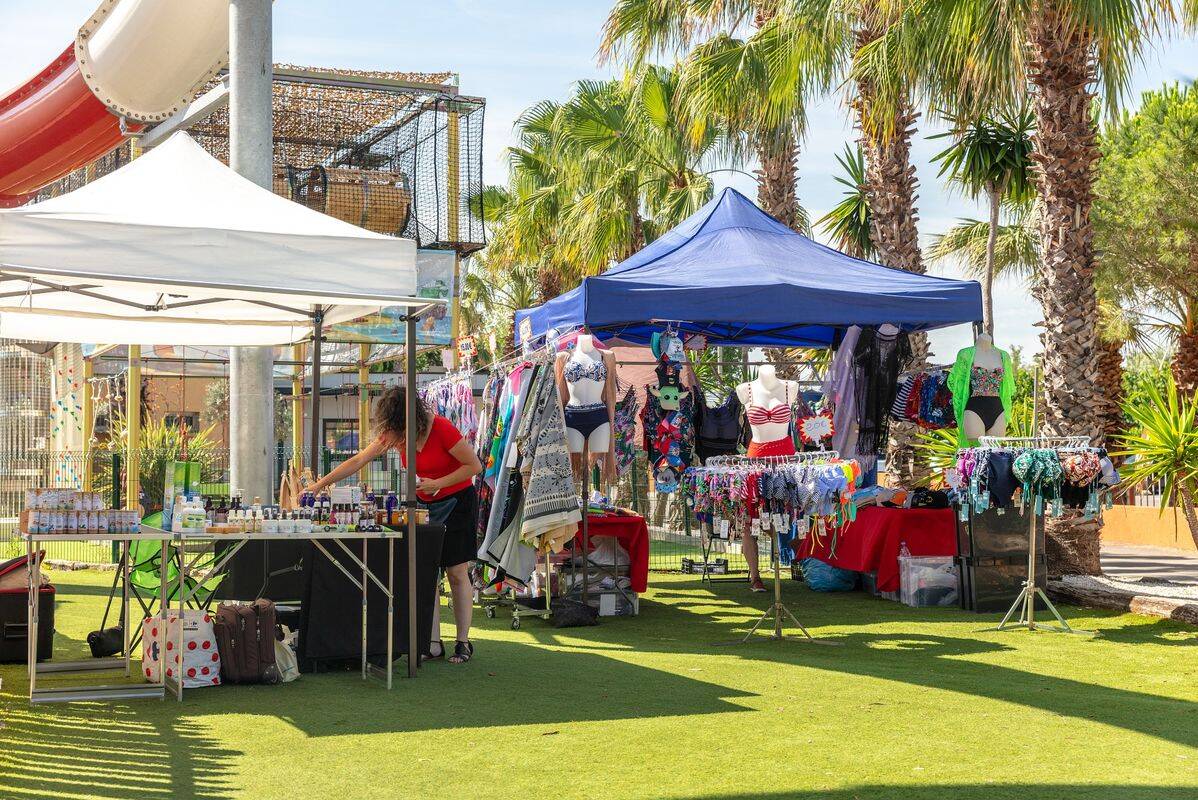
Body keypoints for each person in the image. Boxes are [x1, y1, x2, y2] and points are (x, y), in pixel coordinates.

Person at [308, 386, 483, 664]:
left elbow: (474, 466)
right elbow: (358, 460)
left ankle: (463, 641)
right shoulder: (394, 434)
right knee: (428, 574)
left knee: (456, 572)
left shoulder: (442, 429)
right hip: (424, 505)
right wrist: (321, 484)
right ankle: (432, 642)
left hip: (458, 501)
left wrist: (438, 483)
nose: (396, 440)